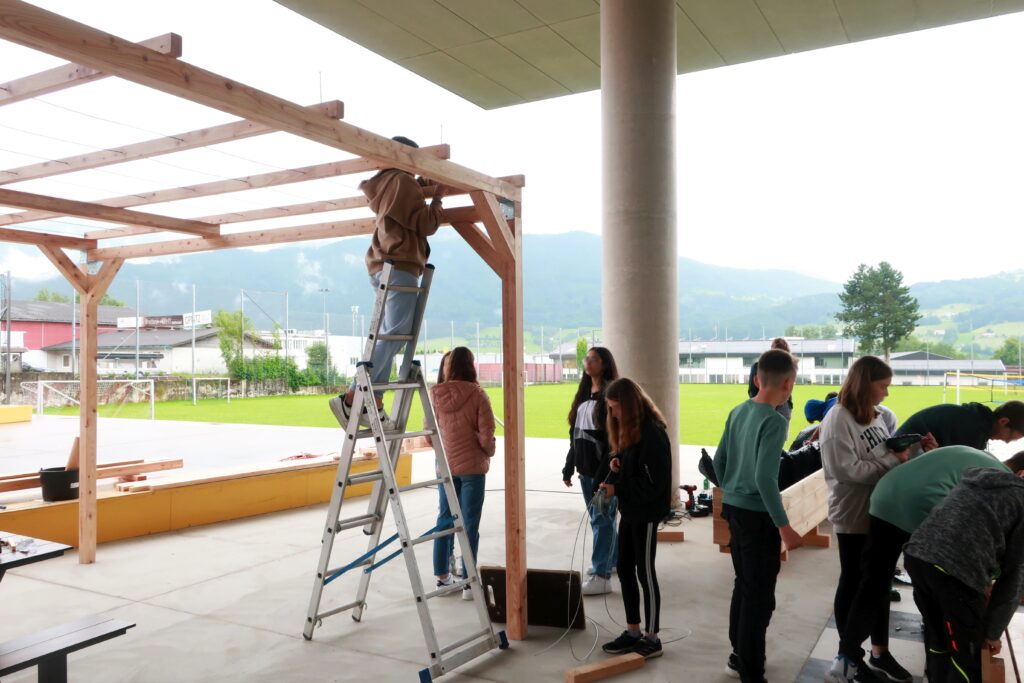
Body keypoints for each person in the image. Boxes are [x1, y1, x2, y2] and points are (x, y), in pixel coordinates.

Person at [829, 446, 1021, 682]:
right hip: (924, 512)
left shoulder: (984, 469)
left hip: (887, 499)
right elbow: (1008, 571)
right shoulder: (1012, 490)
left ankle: (846, 657)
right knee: (962, 629)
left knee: (875, 585)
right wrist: (991, 627)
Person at [329, 135, 445, 429]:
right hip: (399, 264)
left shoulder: (385, 183)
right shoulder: (402, 183)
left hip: (383, 265)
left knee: (388, 334)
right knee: (396, 332)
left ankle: (373, 399)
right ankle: (355, 395)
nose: (418, 170)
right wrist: (438, 197)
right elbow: (427, 224)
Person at [714, 349, 804, 682]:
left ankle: (739, 654)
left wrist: (733, 489)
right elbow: (766, 479)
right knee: (759, 598)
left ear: (756, 379)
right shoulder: (774, 421)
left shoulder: (738, 411)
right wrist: (785, 527)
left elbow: (719, 462)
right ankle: (751, 670)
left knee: (744, 585)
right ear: (788, 384)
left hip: (734, 510)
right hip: (757, 518)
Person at [821, 356, 913, 683]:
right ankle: (850, 659)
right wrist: (892, 460)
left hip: (878, 510)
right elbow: (846, 470)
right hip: (853, 513)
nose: (886, 394)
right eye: (883, 386)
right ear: (865, 383)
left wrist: (910, 450)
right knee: (855, 585)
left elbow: (882, 452)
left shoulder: (875, 415)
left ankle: (879, 652)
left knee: (878, 585)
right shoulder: (837, 419)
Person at [903, 466, 1024, 681]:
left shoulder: (984, 480)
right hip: (953, 571)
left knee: (938, 640)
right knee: (967, 658)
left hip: (918, 556)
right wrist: (992, 633)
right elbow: (1014, 578)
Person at [598, 378, 672, 661]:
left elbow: (654, 485)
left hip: (647, 513)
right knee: (624, 567)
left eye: (615, 408)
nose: (612, 414)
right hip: (629, 511)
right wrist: (618, 465)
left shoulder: (653, 435)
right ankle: (633, 631)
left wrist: (618, 487)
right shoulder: (630, 431)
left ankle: (653, 637)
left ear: (628, 406)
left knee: (646, 573)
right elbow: (636, 469)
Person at [430, 347, 496, 600]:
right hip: (473, 470)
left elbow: (429, 435)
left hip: (445, 467)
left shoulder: (434, 395)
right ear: (470, 365)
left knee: (445, 519)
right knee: (470, 524)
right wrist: (488, 451)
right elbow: (486, 435)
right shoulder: (478, 394)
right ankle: (469, 582)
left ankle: (442, 577)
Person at [562, 347, 620, 596]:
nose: (587, 362)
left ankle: (601, 575)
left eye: (593, 359)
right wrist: (568, 466)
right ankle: (610, 561)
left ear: (604, 364)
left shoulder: (611, 395)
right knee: (603, 519)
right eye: (587, 358)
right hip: (585, 472)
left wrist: (604, 475)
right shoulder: (584, 393)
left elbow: (613, 440)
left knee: (601, 519)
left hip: (603, 473)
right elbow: (575, 436)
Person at [894, 400, 1024, 452]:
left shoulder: (977, 418)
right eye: (1010, 437)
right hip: (901, 458)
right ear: (1003, 421)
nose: (1007, 442)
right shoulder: (974, 428)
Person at [748, 337, 794, 424]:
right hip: (770, 407)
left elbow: (752, 391)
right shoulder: (789, 368)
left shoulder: (758, 366)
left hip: (767, 407)